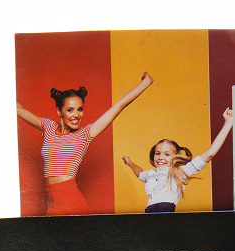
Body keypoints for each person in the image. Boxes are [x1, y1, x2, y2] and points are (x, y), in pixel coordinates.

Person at [16, 72, 154, 215]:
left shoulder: (85, 134)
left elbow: (119, 106)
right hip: (50, 203)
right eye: (70, 110)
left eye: (80, 109)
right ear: (59, 110)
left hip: (71, 202)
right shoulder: (48, 127)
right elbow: (19, 109)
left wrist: (146, 82)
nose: (76, 115)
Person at [122, 108, 233, 213]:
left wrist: (228, 123)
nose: (160, 157)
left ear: (175, 157)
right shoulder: (152, 175)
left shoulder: (180, 172)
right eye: (157, 153)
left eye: (167, 154)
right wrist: (130, 163)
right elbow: (140, 173)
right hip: (149, 215)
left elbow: (210, 154)